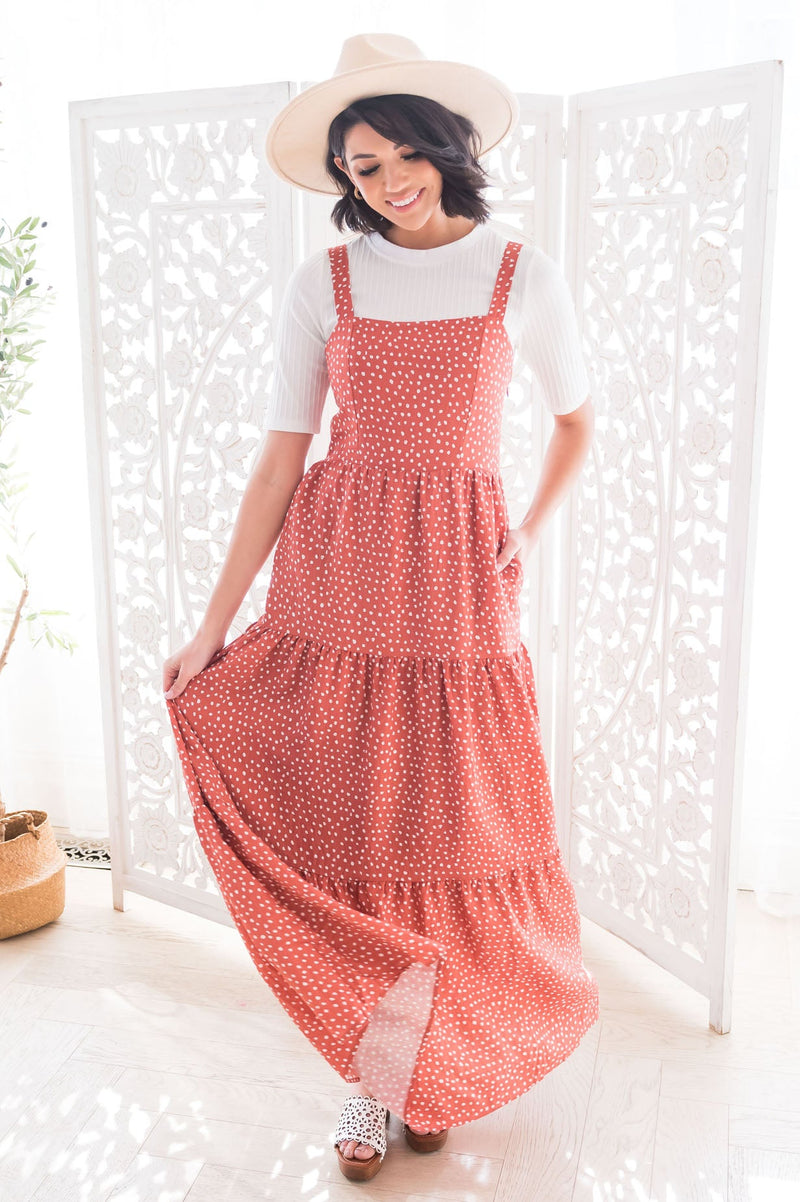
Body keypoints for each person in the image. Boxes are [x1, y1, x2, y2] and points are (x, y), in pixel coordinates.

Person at [163, 32, 600, 1184]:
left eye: (405, 152)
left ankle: (432, 1063)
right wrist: (211, 627)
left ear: (446, 147)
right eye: (364, 165)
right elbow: (278, 461)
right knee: (361, 828)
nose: (390, 178)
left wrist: (524, 529)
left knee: (447, 830)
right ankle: (379, 1078)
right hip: (339, 577)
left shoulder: (519, 273)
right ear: (343, 177)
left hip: (457, 590)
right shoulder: (326, 280)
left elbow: (576, 423)